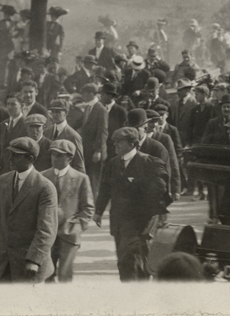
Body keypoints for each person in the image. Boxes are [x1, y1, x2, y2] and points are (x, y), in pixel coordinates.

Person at [94, 127, 169, 281]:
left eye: (119, 142)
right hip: (119, 223)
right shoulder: (113, 163)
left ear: (132, 143)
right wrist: (98, 212)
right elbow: (105, 189)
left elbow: (159, 194)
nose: (115, 145)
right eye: (114, 141)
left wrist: (149, 218)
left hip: (140, 224)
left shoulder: (149, 163)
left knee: (137, 262)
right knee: (123, 262)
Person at [0, 137, 58, 283]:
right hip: (4, 263)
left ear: (30, 159)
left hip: (29, 265)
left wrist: (34, 260)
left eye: (16, 155)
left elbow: (47, 229)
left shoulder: (45, 187)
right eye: (10, 154)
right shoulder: (2, 181)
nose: (10, 158)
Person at [39, 139, 94, 282]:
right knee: (46, 274)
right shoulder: (42, 177)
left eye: (59, 155)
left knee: (65, 275)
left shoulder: (81, 178)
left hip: (69, 234)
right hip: (46, 234)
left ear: (70, 158)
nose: (55, 158)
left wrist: (76, 227)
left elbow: (88, 208)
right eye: (53, 154)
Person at [69, 83, 108, 192]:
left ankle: (93, 201)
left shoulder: (101, 109)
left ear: (91, 94)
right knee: (87, 178)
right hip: (87, 149)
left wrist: (98, 151)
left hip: (95, 151)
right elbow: (80, 122)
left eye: (84, 94)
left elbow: (103, 132)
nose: (83, 96)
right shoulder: (88, 107)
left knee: (93, 180)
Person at [42, 100, 86, 172]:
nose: (54, 115)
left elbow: (79, 164)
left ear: (66, 113)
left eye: (58, 112)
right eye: (53, 111)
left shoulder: (73, 136)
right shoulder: (46, 132)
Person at [0, 5, 20, 90]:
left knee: (10, 64)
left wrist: (15, 36)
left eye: (8, 14)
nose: (6, 15)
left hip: (11, 46)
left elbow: (21, 30)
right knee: (1, 65)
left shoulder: (15, 23)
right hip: (2, 46)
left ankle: (9, 82)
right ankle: (0, 83)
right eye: (5, 14)